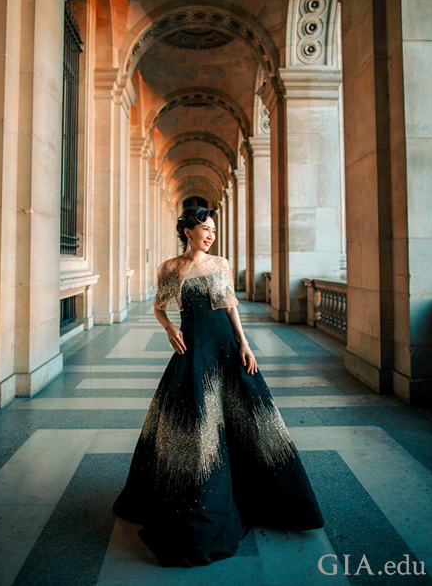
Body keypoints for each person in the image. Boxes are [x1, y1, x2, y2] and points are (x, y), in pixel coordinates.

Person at [112, 205, 324, 568]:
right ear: (187, 232)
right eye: (204, 229)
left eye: (213, 229)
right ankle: (203, 500)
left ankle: (263, 496)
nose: (210, 235)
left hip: (226, 348)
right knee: (198, 424)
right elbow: (160, 306)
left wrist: (244, 343)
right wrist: (169, 328)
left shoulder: (221, 265)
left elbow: (229, 307)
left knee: (252, 420)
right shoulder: (171, 269)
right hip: (194, 352)